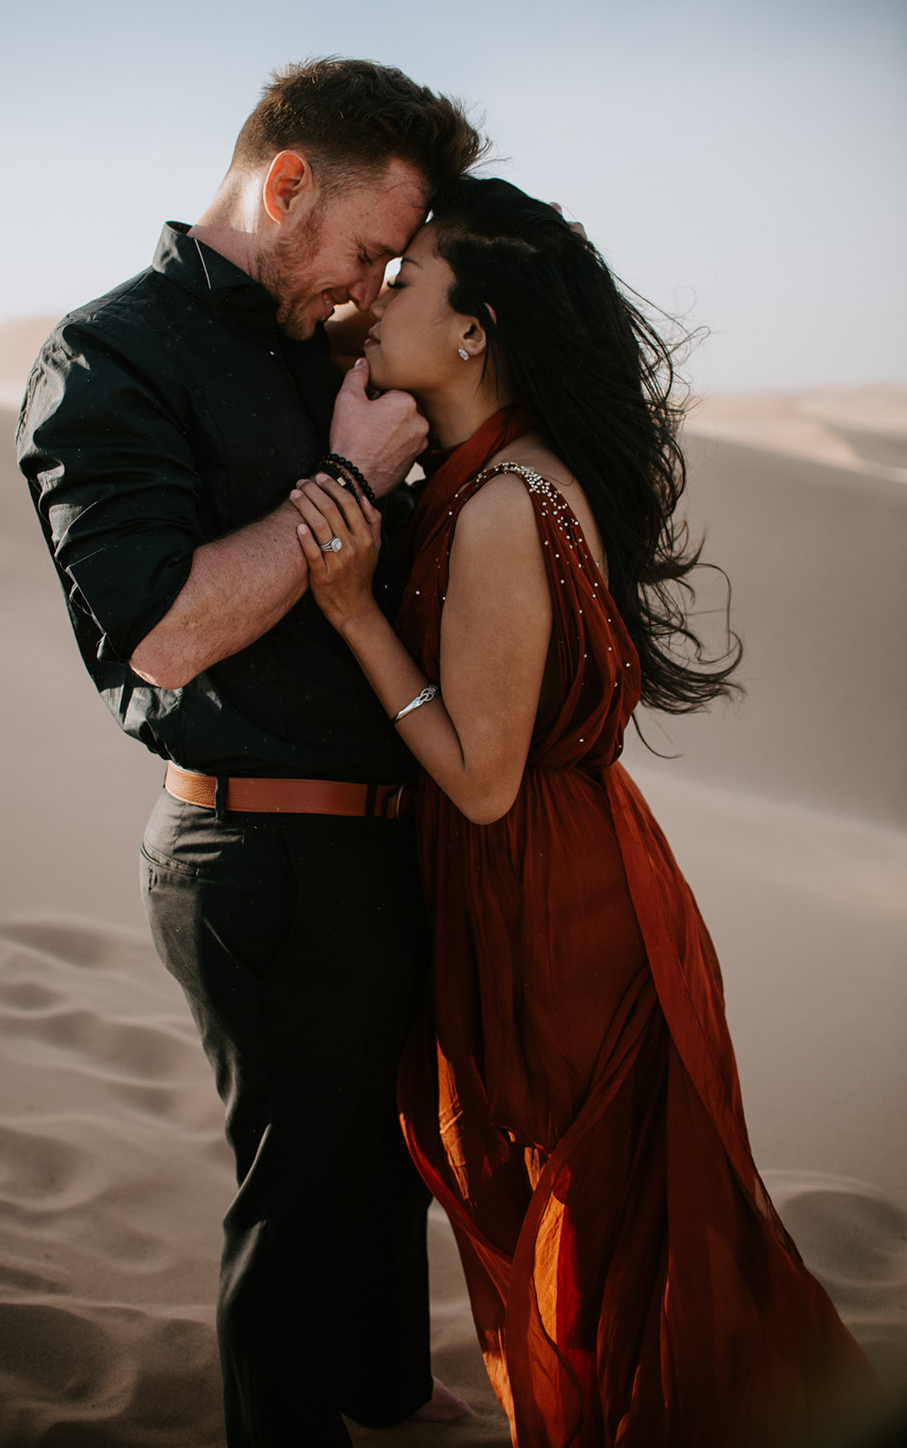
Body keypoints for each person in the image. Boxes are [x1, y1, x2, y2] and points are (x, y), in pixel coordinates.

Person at [291, 177, 877, 1447]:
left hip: (551, 915)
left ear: (475, 331)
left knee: (599, 1250)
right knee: (613, 1243)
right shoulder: (497, 470)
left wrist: (349, 615)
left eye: (411, 278)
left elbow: (483, 776)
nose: (382, 294)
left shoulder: (505, 507)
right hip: (574, 879)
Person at [16, 59, 485, 1447]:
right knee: (297, 1195)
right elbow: (160, 634)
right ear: (283, 184)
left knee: (386, 1160)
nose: (369, 284)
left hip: (394, 835)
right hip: (256, 852)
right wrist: (344, 489)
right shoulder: (111, 354)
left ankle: (391, 1400)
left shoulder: (342, 346)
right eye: (362, 248)